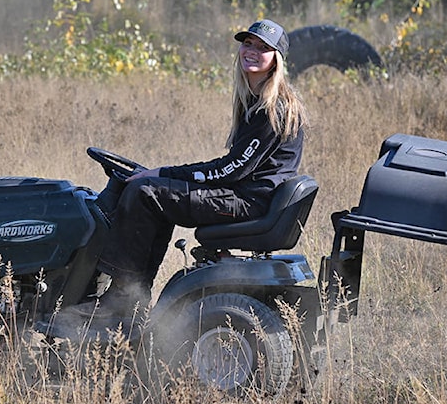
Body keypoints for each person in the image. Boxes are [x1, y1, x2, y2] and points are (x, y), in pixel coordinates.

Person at [70, 18, 307, 320]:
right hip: (247, 195)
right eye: (248, 43)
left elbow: (232, 170)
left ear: (277, 60)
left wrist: (163, 173)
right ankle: (130, 295)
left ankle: (122, 299)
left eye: (263, 48)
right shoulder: (255, 100)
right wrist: (163, 175)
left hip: (249, 202)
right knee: (153, 194)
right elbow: (233, 169)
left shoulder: (273, 108)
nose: (252, 51)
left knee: (145, 193)